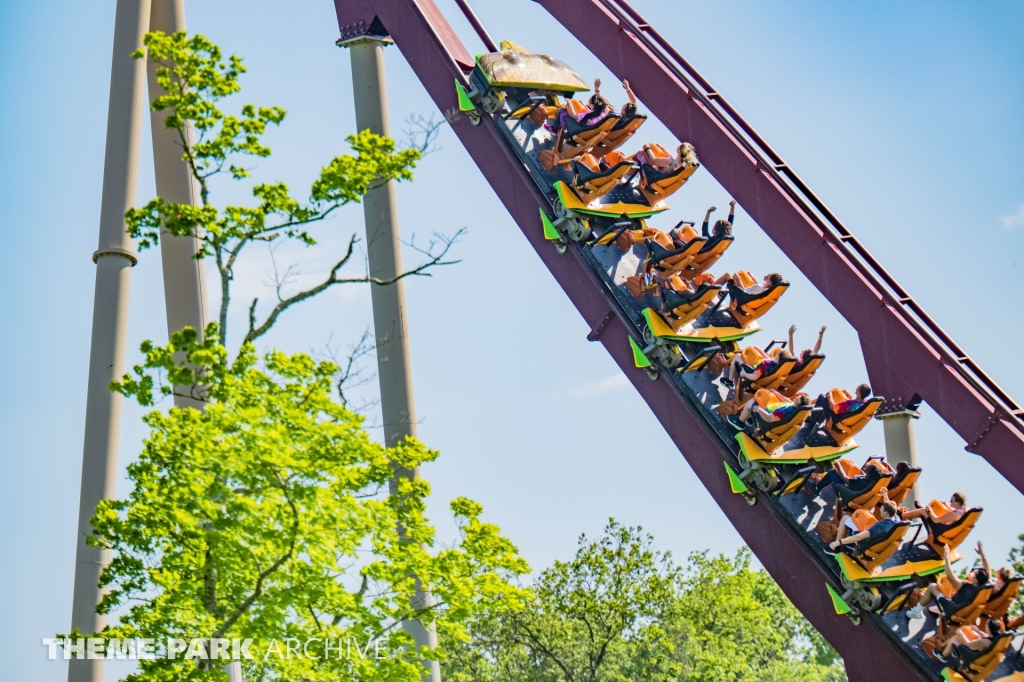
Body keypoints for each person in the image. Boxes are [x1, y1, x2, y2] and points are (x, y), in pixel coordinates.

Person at [907, 544, 990, 620]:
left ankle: (916, 612)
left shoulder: (966, 587)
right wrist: (982, 554)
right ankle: (936, 608)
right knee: (945, 589)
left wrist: (947, 557)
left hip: (951, 609)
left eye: (975, 573)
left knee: (932, 587)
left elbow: (950, 576)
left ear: (976, 579)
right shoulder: (982, 589)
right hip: (961, 611)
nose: (973, 572)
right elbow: (988, 574)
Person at [829, 501, 899, 555]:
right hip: (876, 541)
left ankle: (836, 548)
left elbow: (859, 537)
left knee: (845, 518)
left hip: (864, 543)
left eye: (882, 509)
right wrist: (885, 494)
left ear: (886, 513)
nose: (880, 510)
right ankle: (848, 544)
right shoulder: (896, 520)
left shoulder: (879, 526)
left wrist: (839, 542)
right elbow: (890, 507)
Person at [807, 456, 887, 496]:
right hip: (854, 491)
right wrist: (863, 474)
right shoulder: (871, 481)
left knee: (832, 473)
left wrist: (838, 466)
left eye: (868, 468)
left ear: (869, 473)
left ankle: (817, 489)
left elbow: (845, 479)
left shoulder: (860, 481)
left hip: (846, 491)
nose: (867, 466)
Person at [805, 383, 872, 431]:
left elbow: (833, 407)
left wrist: (829, 396)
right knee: (828, 402)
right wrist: (848, 396)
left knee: (823, 397)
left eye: (858, 387)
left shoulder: (849, 404)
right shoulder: (865, 404)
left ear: (859, 392)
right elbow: (854, 405)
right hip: (845, 423)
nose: (857, 387)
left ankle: (811, 422)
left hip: (836, 422)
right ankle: (818, 422)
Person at [722, 346, 795, 387]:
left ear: (778, 356)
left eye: (779, 351)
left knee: (737, 356)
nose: (778, 350)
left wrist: (744, 374)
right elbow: (769, 359)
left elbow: (754, 376)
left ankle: (729, 381)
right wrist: (761, 351)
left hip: (750, 374)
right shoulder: (776, 366)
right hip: (759, 373)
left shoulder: (766, 363)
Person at [738, 393, 810, 426]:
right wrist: (775, 392)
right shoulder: (794, 407)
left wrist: (759, 410)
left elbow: (769, 418)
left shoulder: (785, 411)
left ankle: (739, 422)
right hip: (769, 410)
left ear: (799, 404)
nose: (796, 397)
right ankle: (750, 419)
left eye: (798, 398)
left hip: (766, 420)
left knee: (751, 403)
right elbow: (785, 399)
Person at [901, 492, 967, 525]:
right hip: (945, 524)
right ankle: (908, 514)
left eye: (952, 501)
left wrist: (930, 510)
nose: (950, 502)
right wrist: (947, 505)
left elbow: (936, 520)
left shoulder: (955, 515)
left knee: (923, 511)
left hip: (938, 528)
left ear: (957, 503)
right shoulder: (961, 511)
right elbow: (953, 512)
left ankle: (902, 515)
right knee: (935, 504)